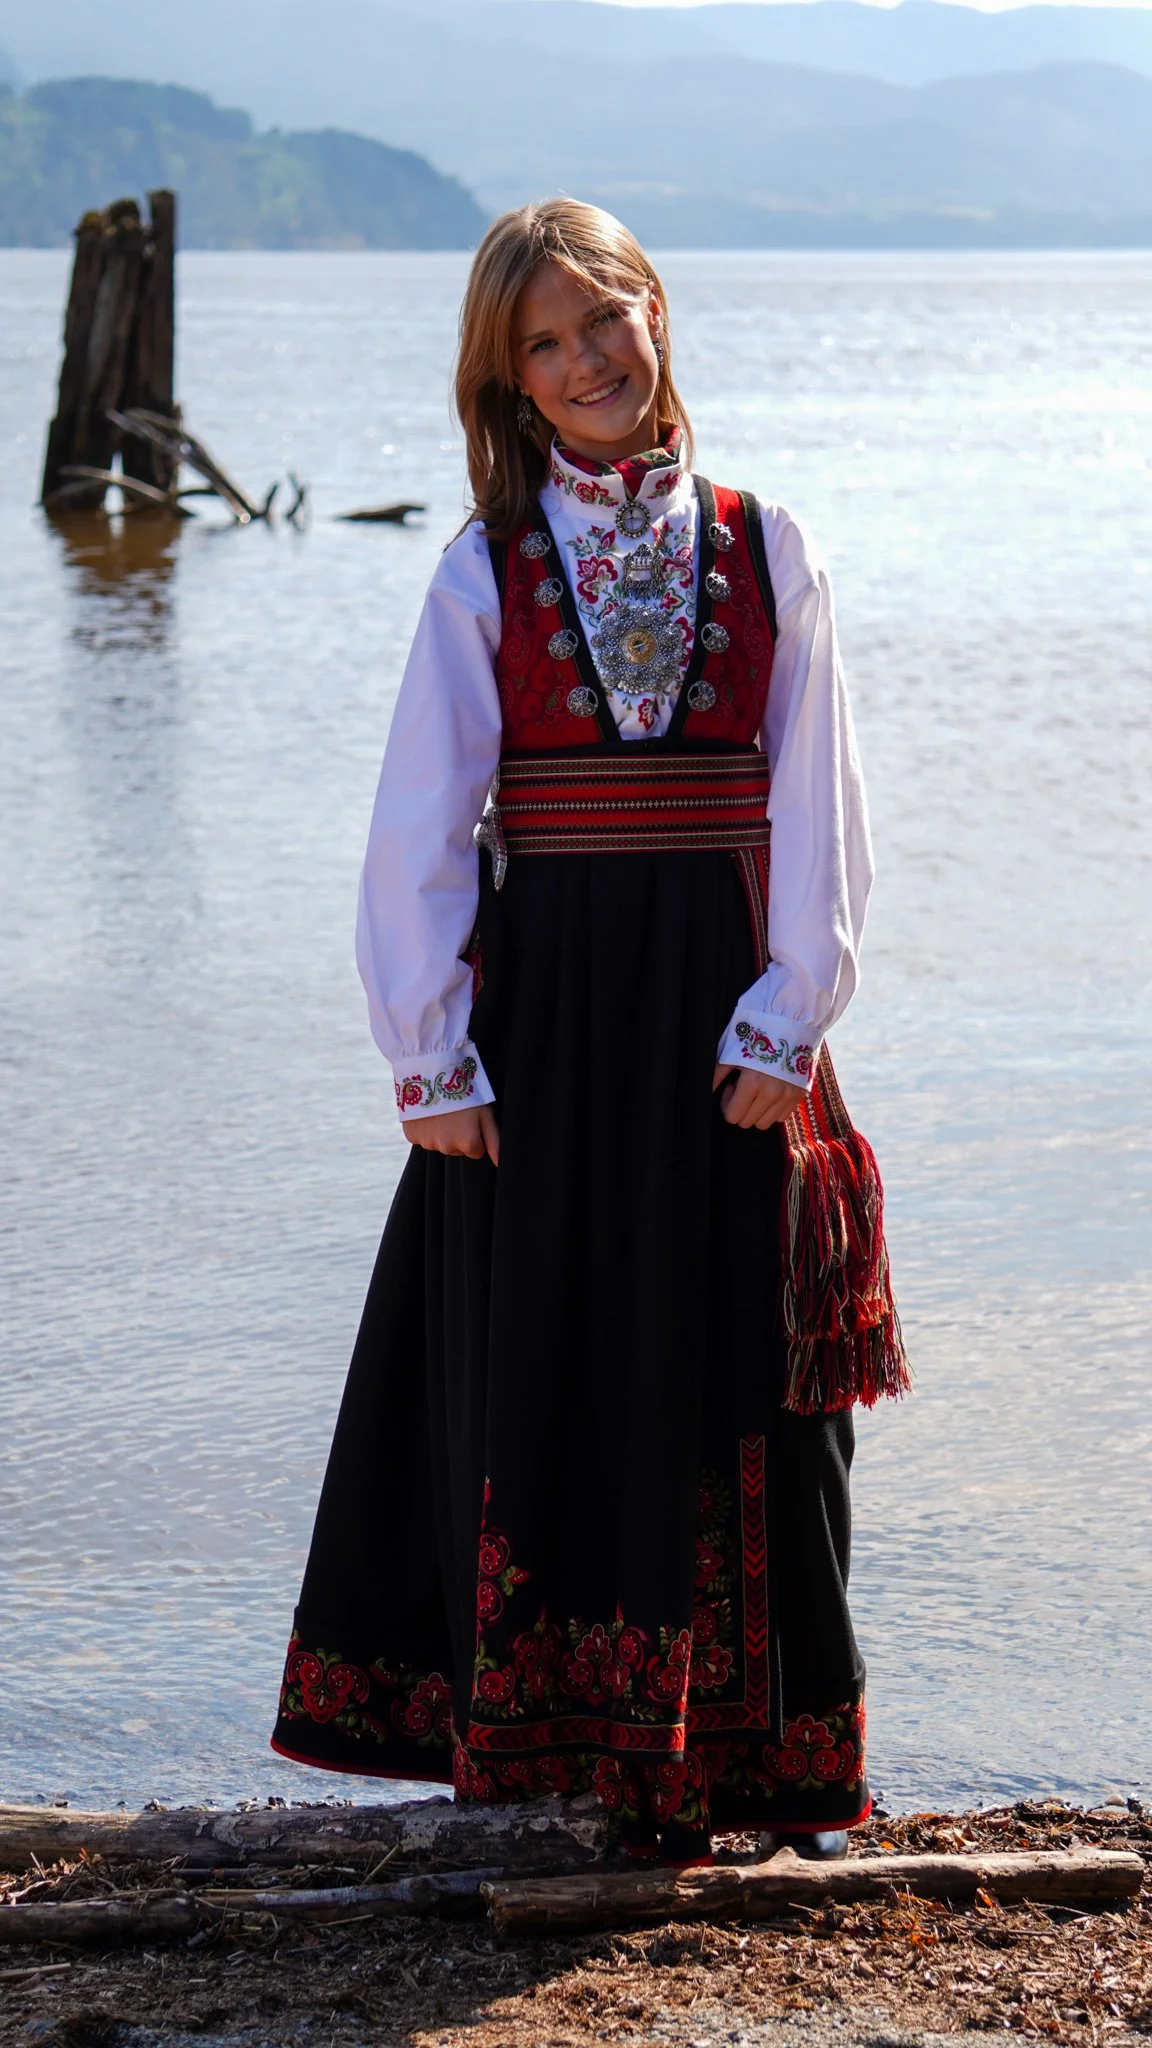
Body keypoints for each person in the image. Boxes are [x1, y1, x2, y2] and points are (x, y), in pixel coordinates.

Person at [271, 199, 908, 1867]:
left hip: (721, 1017)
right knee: (549, 1353)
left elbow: (818, 795)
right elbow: (422, 818)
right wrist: (429, 1057)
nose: (582, 365)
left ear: (654, 313)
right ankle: (561, 1754)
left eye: (598, 324)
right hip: (542, 1026)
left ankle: (765, 1769)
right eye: (541, 349)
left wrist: (792, 1015)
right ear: (511, 386)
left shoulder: (769, 540)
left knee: (741, 1376)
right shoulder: (482, 566)